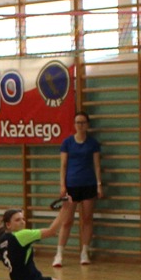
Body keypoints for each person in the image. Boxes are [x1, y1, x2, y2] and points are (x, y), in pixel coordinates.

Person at [0, 205, 85, 280]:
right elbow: (52, 231)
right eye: (17, 220)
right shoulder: (21, 235)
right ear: (8, 225)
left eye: (23, 219)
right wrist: (65, 208)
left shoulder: (2, 239)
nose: (22, 222)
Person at [54, 111, 103, 267]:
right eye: (77, 122)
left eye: (83, 122)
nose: (80, 125)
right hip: (71, 185)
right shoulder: (67, 143)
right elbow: (63, 166)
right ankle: (59, 254)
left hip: (88, 184)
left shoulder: (93, 143)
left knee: (87, 219)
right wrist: (62, 185)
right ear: (74, 124)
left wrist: (99, 185)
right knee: (67, 221)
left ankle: (84, 252)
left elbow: (97, 166)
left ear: (87, 124)